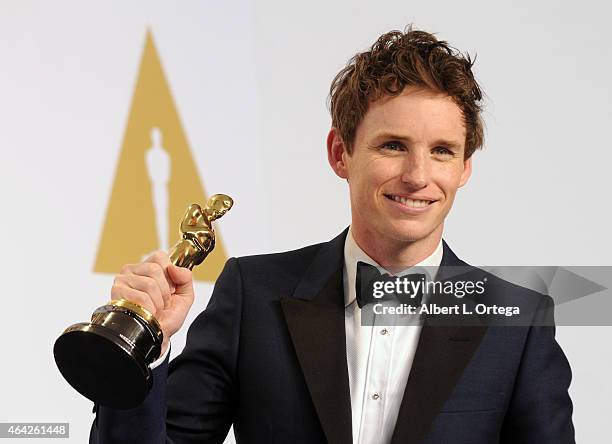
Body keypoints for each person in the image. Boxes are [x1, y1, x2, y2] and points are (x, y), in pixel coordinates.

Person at [90, 27, 575, 443]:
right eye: (393, 145)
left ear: (465, 167)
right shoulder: (252, 294)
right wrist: (142, 349)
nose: (417, 175)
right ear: (340, 153)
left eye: (443, 151)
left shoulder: (519, 321)